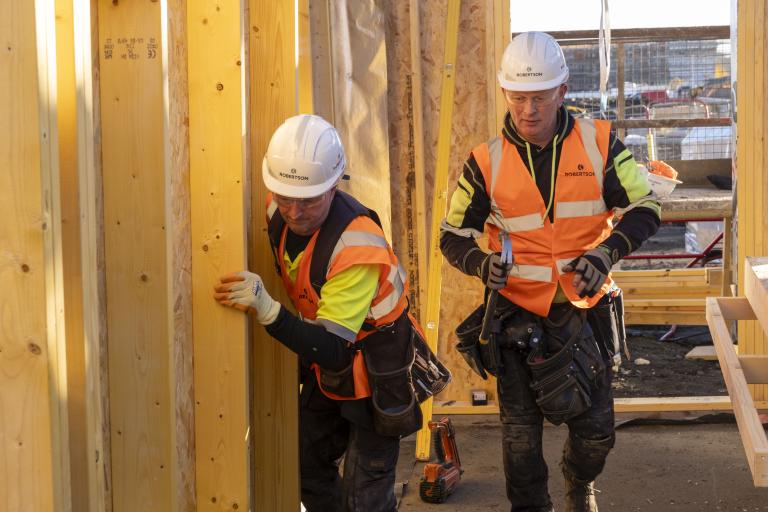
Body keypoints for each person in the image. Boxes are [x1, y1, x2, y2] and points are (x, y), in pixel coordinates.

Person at [441, 32, 660, 512]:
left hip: (586, 312)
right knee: (520, 448)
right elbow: (451, 235)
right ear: (506, 95)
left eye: (539, 98)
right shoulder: (484, 163)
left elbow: (647, 206)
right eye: (518, 98)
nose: (528, 110)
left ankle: (579, 482)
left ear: (562, 91)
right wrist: (479, 263)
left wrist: (606, 254)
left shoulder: (601, 144)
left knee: (596, 436)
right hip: (516, 318)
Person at [213, 114, 433, 512]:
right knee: (302, 467)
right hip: (327, 366)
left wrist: (267, 310)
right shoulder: (276, 208)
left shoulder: (357, 245)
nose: (294, 212)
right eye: (284, 198)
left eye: (309, 200)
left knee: (364, 498)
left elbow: (333, 347)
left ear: (334, 185)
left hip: (377, 371)